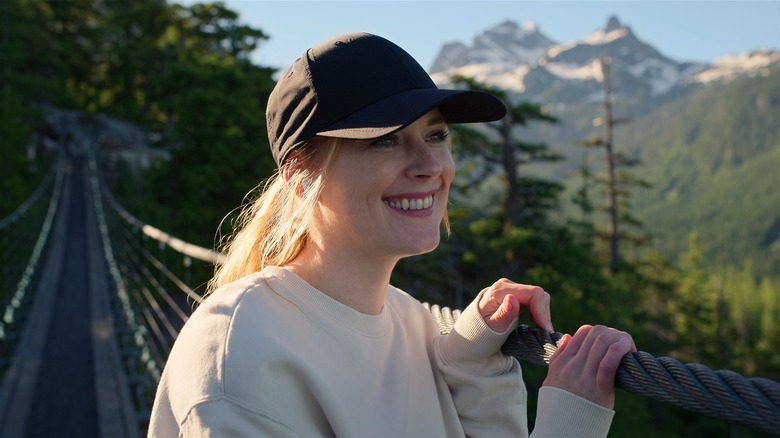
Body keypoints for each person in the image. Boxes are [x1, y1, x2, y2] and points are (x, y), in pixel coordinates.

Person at [148, 32, 636, 437]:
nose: (429, 167)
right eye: (385, 140)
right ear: (300, 174)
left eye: (436, 135)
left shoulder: (414, 324)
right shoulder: (241, 354)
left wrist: (473, 365)